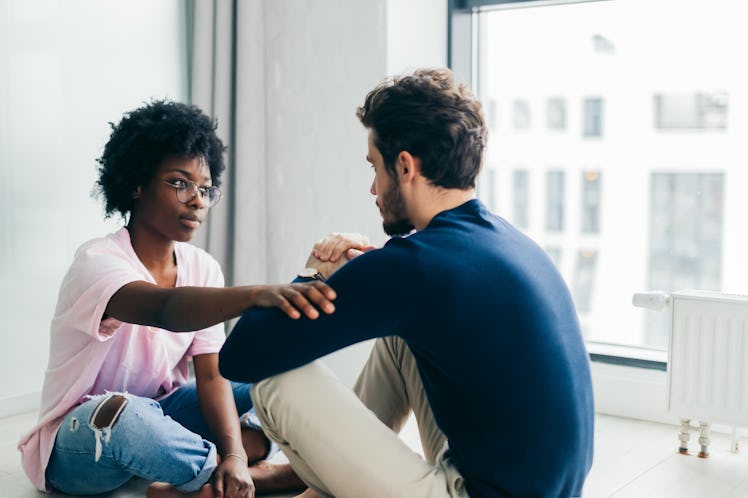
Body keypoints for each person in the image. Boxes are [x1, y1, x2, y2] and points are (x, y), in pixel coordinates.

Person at [218, 68, 595, 498]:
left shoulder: (417, 265)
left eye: (374, 167)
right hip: (533, 485)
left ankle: (318, 484)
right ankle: (314, 483)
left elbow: (241, 356)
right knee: (401, 340)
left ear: (404, 166)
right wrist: (370, 279)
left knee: (274, 379)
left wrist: (314, 273)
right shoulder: (506, 240)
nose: (373, 188)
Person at [17, 100, 334, 498]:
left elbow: (212, 374)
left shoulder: (202, 266)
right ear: (137, 183)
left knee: (272, 382)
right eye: (179, 183)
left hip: (164, 412)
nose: (197, 200)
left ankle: (222, 475)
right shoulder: (97, 261)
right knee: (126, 416)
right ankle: (234, 476)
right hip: (82, 441)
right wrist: (256, 295)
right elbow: (164, 309)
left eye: (204, 189)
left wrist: (235, 454)